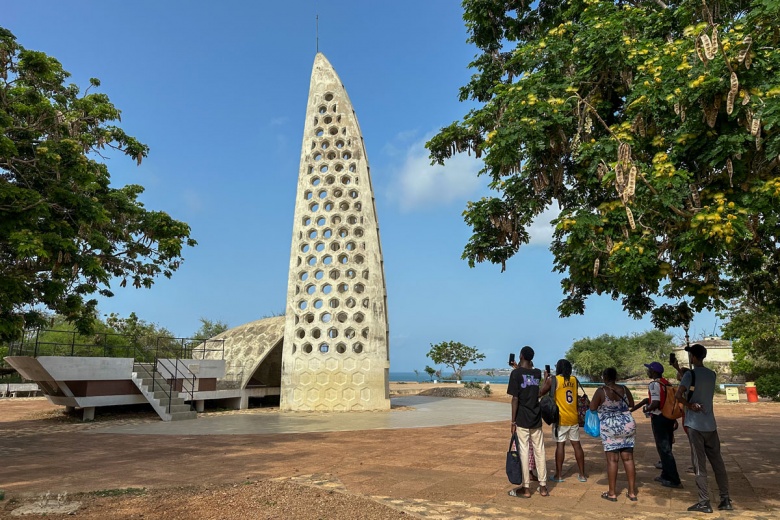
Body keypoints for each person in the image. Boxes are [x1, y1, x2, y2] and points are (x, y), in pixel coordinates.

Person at [676, 343, 733, 513]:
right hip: (710, 424)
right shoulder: (712, 374)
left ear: (693, 357)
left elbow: (679, 395)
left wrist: (689, 404)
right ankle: (725, 498)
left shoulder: (689, 375)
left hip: (695, 424)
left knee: (699, 464)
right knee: (718, 462)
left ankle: (704, 501)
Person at [589, 367, 638, 501]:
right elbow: (631, 404)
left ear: (605, 377)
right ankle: (632, 492)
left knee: (612, 460)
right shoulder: (624, 388)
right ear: (616, 377)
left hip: (610, 427)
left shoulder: (601, 391)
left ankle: (612, 493)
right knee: (628, 459)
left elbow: (592, 407)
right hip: (627, 425)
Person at [631, 361, 682, 488]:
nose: (647, 372)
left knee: (664, 448)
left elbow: (656, 403)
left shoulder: (654, 384)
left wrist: (646, 409)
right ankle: (665, 474)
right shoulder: (665, 383)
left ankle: (674, 479)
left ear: (654, 372)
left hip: (659, 418)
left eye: (649, 370)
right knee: (667, 446)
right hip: (667, 417)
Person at [507, 345, 549, 498]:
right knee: (540, 451)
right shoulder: (537, 373)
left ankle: (525, 488)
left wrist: (512, 422)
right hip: (536, 417)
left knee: (523, 452)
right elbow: (531, 382)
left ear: (521, 355)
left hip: (522, 418)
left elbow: (515, 398)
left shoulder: (515, 374)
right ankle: (543, 487)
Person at [539, 359, 587, 482]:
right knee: (577, 445)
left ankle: (559, 475)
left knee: (560, 445)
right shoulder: (574, 380)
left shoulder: (554, 380)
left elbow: (541, 392)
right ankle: (582, 474)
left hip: (560, 418)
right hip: (573, 417)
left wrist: (545, 378)